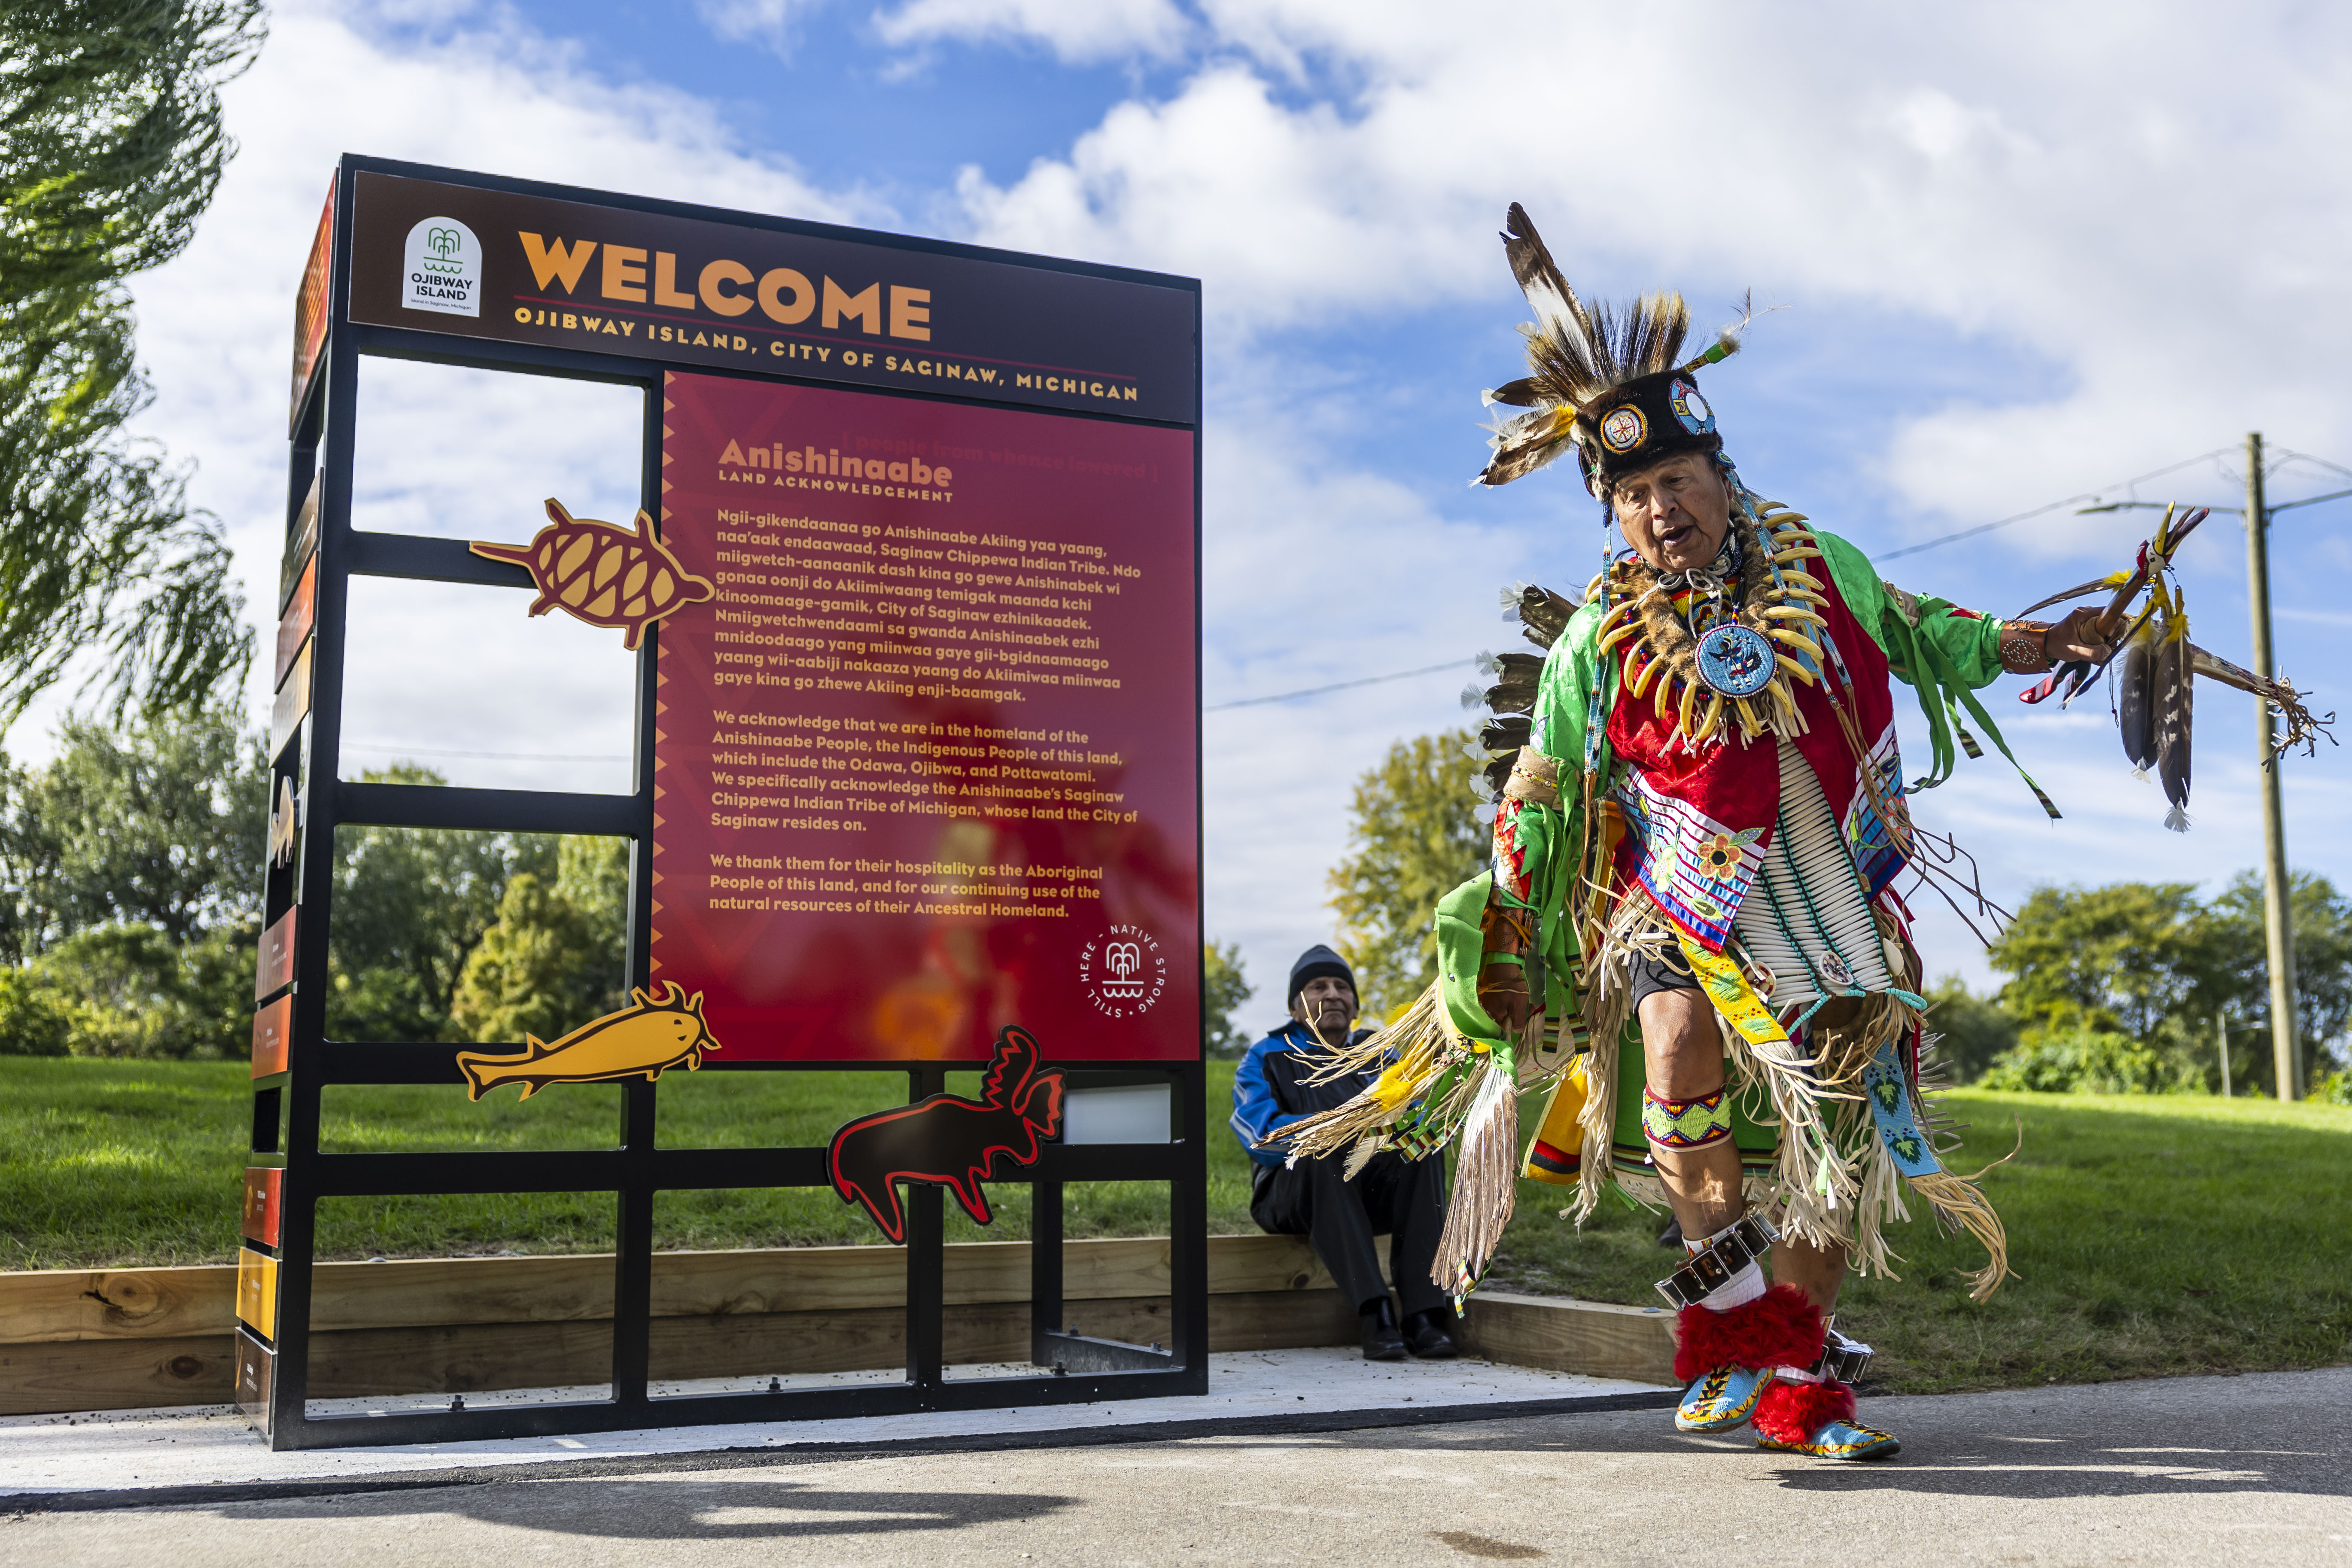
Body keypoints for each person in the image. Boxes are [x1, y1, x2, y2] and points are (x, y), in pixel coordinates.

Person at [1268, 204, 2133, 1460]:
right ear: (1610, 515)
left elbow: (1919, 627)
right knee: (1673, 1045)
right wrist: (1511, 908)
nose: (1657, 508)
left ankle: (1794, 1360)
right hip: (1685, 893)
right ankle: (1727, 1330)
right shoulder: (1598, 635)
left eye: (1673, 480)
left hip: (1829, 885)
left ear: (1719, 477)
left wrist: (2027, 640)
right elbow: (1545, 772)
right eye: (1629, 493)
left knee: (1837, 1111)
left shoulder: (1816, 561)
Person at [1232, 946, 1458, 1361]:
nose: (1333, 993)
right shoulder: (1265, 1056)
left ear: (1354, 1005)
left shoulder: (1380, 1053)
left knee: (1421, 1148)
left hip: (1367, 1195)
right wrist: (1338, 1128)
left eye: (1342, 986)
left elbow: (1418, 1112)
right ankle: (1376, 1313)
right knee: (1320, 1154)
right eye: (1318, 986)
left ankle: (1425, 1316)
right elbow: (1258, 1135)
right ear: (1295, 1007)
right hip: (1291, 1194)